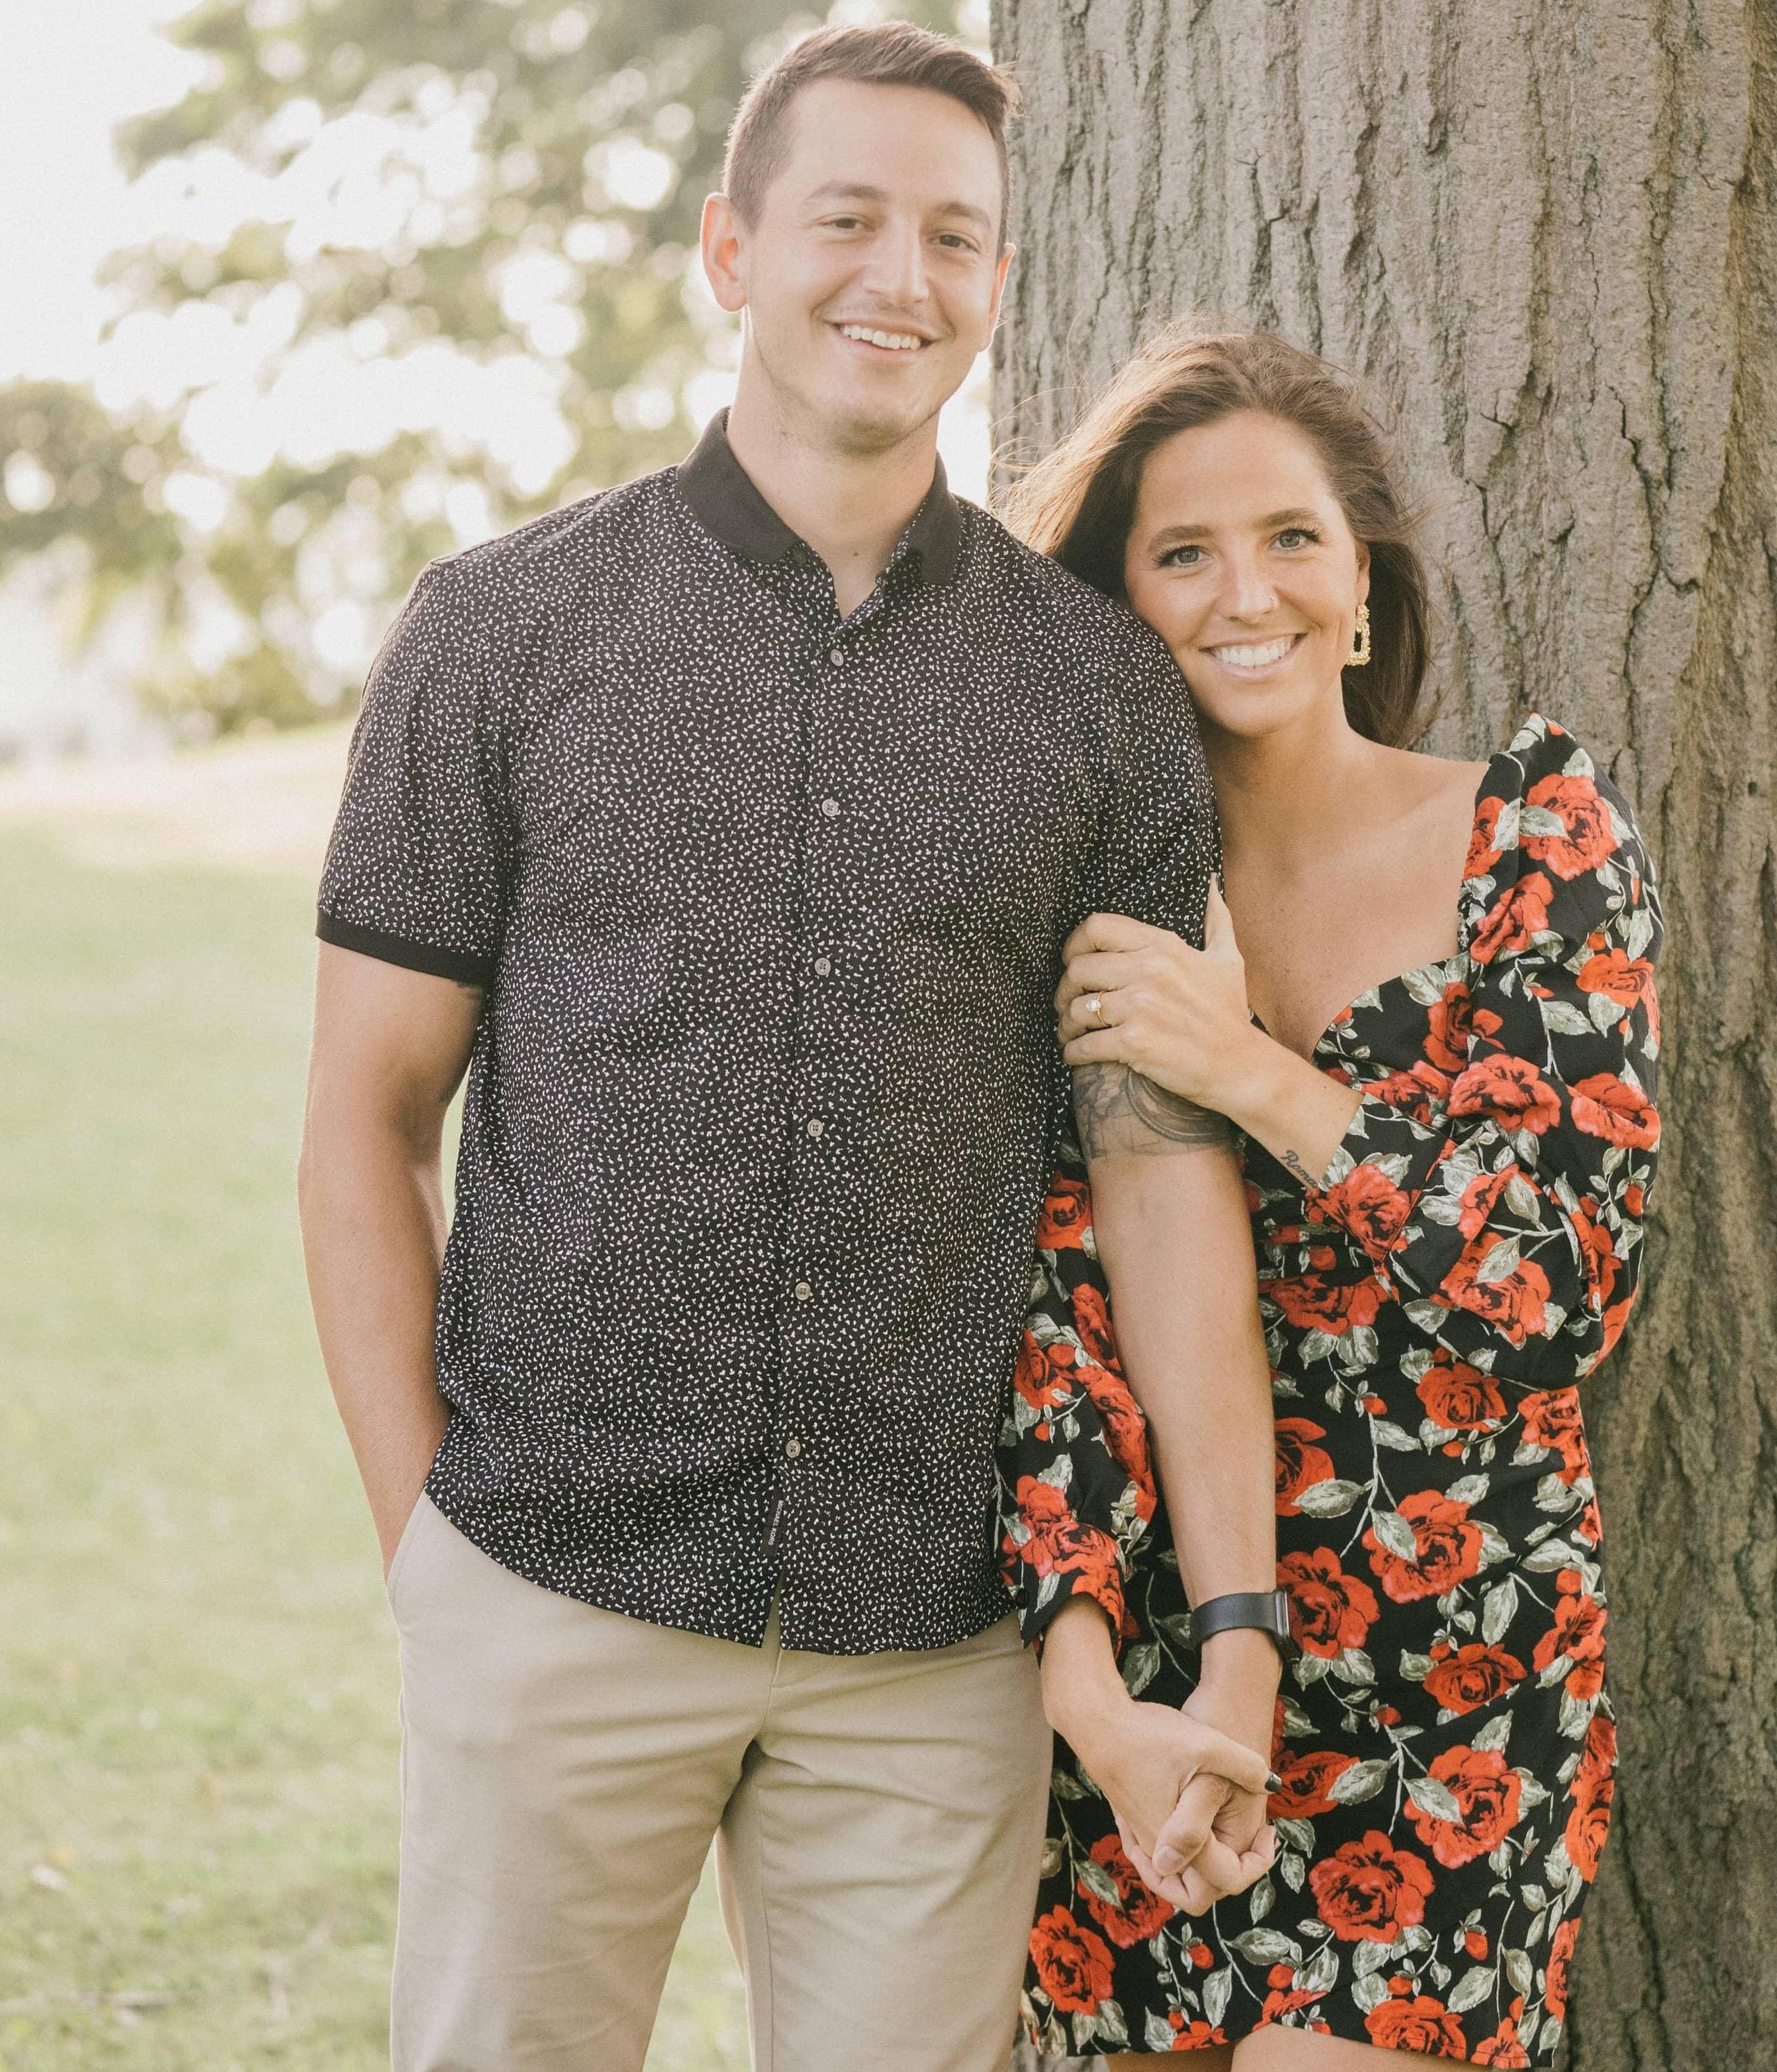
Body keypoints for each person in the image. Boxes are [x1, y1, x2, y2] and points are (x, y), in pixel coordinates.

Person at [295, 27, 1283, 2072]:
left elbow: (1155, 1171)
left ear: (996, 282)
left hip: (930, 1647)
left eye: (955, 236)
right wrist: (430, 1557)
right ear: (733, 251)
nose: (900, 277)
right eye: (849, 219)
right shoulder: (496, 634)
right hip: (551, 1584)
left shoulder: (1096, 694)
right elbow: (364, 1124)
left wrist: (1236, 1620)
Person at [999, 330, 1663, 2067]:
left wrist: (1256, 1075)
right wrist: (1093, 1687)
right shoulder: (1086, 907)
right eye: (1184, 553)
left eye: (1292, 537)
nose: (1249, 594)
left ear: (1361, 582)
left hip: (1460, 1674)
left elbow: (1559, 1292)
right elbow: (1058, 1321)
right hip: (1166, 1681)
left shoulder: (1535, 838)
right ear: (1118, 609)